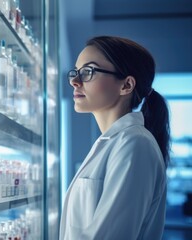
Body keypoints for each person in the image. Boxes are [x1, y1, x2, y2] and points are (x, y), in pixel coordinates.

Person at [60, 36, 170, 239]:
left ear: (126, 85)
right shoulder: (114, 142)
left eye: (88, 71)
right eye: (76, 72)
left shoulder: (136, 144)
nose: (75, 81)